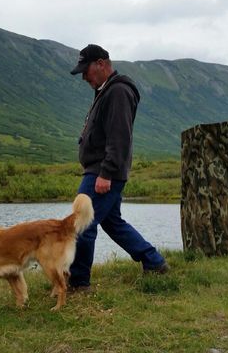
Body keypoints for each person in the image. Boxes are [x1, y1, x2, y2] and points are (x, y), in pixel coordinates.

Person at [69, 44, 169, 289]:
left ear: (101, 64)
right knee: (112, 222)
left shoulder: (118, 92)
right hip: (102, 170)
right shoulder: (107, 91)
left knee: (82, 224)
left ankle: (78, 282)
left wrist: (106, 172)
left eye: (86, 70)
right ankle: (153, 262)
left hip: (103, 172)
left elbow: (119, 136)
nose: (84, 77)